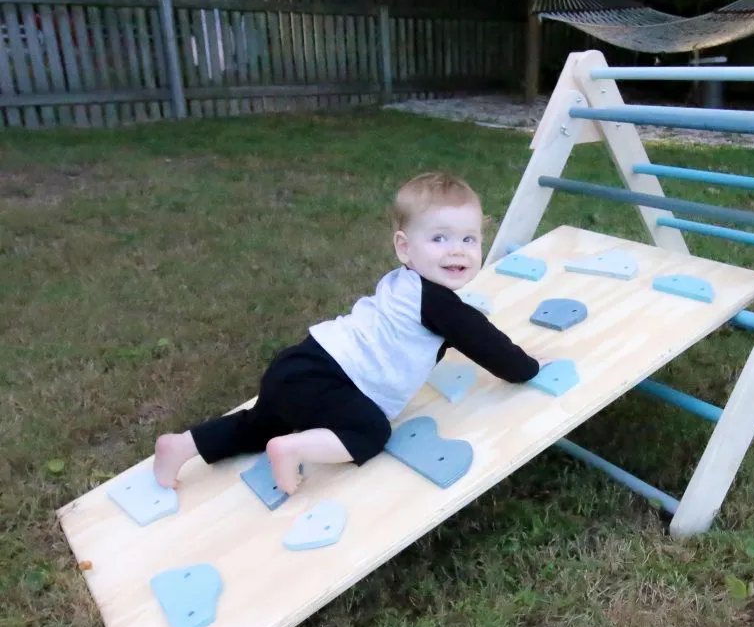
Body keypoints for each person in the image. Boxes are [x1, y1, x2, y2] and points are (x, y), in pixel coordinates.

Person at [152, 171, 542, 494]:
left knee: (256, 425)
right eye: (439, 238)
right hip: (331, 379)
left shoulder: (402, 283)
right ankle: (290, 448)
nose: (457, 250)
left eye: (468, 239)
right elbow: (491, 347)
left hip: (299, 363)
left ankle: (181, 445)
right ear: (405, 248)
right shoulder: (440, 306)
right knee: (369, 430)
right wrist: (527, 369)